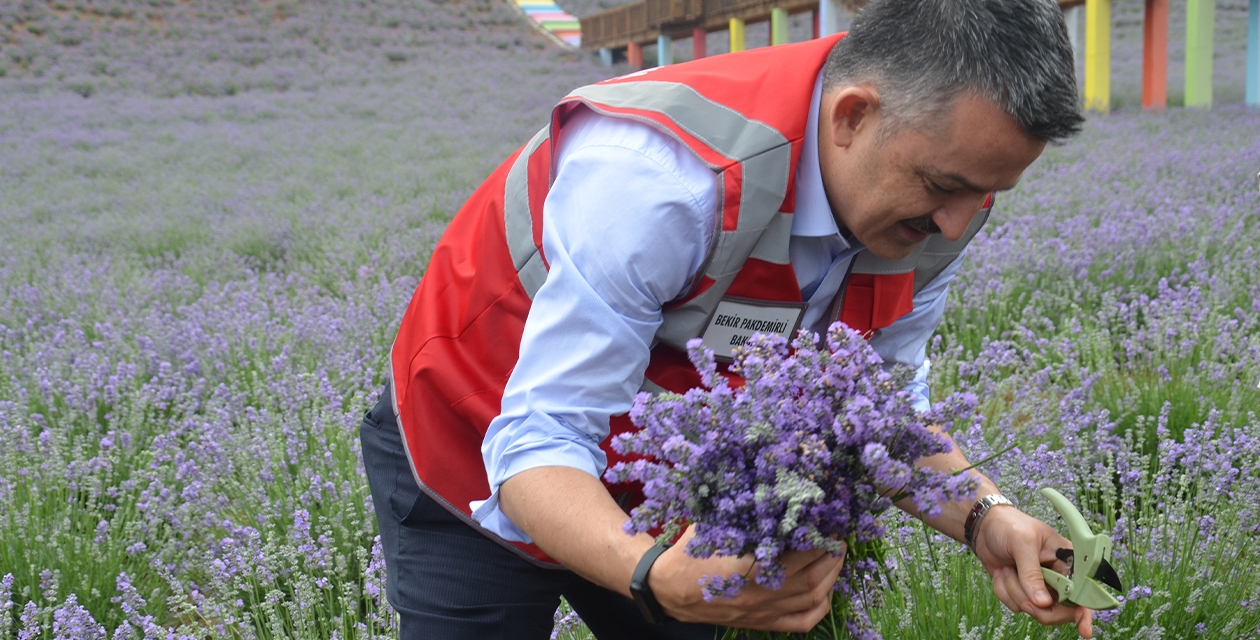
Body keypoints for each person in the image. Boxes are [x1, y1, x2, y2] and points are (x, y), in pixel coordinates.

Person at [359, 0, 1097, 637]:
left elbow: (881, 408)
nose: (959, 222)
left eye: (988, 192)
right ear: (853, 115)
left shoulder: (940, 204)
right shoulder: (662, 181)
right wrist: (651, 575)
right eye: (945, 186)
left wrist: (984, 517)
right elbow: (539, 438)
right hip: (474, 433)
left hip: (675, 478)